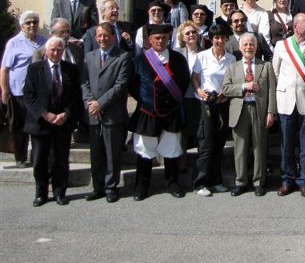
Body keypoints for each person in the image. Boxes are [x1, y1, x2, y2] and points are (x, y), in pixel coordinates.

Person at [129, 23, 190, 201]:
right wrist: (146, 100)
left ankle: (172, 183)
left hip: (171, 112)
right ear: (150, 40)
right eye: (156, 38)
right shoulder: (140, 60)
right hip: (147, 112)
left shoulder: (178, 59)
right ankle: (142, 185)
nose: (160, 41)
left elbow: (184, 82)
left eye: (163, 38)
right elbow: (133, 85)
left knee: (172, 149)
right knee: (144, 151)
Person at [22, 36, 82, 206]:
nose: (56, 53)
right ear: (46, 51)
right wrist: (44, 114)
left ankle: (59, 192)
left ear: (63, 51)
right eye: (52, 49)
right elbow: (28, 96)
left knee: (60, 159)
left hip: (62, 123)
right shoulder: (34, 69)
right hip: (41, 123)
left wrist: (66, 114)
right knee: (40, 160)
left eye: (59, 49)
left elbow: (76, 96)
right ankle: (41, 193)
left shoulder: (70, 69)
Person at [271, 13, 305, 197]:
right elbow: (276, 72)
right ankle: (287, 179)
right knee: (286, 144)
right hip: (286, 101)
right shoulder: (281, 45)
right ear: (295, 26)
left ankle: (304, 180)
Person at [81, 23, 132, 203]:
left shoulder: (123, 56)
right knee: (96, 154)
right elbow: (84, 83)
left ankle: (111, 187)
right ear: (96, 37)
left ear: (113, 36)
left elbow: (120, 85)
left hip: (112, 113)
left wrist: (100, 104)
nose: (102, 39)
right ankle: (98, 188)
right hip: (93, 114)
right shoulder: (89, 56)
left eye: (106, 35)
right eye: (99, 36)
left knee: (112, 154)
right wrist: (90, 103)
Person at [222, 33, 277, 197]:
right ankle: (240, 181)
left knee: (259, 146)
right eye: (245, 44)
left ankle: (259, 182)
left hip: (258, 109)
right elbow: (225, 89)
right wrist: (244, 86)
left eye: (251, 44)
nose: (248, 47)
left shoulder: (266, 66)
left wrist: (271, 112)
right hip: (240, 110)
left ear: (256, 47)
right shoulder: (232, 67)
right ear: (240, 47)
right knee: (240, 148)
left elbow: (272, 91)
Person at [191, 24, 236, 196]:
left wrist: (224, 93)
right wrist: (199, 91)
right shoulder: (202, 56)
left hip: (223, 103)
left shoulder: (231, 58)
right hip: (206, 104)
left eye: (222, 37)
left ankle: (216, 181)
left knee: (219, 144)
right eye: (216, 37)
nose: (219, 41)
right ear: (211, 39)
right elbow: (194, 78)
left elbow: (231, 80)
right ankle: (200, 183)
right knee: (206, 144)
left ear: (226, 39)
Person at [0, 10, 47, 167]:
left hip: (38, 92)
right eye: (28, 22)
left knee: (36, 125)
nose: (32, 25)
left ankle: (37, 157)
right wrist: (5, 90)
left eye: (35, 21)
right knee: (19, 126)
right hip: (18, 91)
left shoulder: (43, 41)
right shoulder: (14, 43)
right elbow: (5, 69)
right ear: (22, 26)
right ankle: (20, 157)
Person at [175, 20, 204, 166]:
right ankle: (182, 163)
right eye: (188, 33)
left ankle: (201, 162)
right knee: (184, 131)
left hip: (201, 97)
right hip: (184, 97)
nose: (191, 35)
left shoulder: (205, 52)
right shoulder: (177, 54)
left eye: (193, 32)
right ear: (182, 37)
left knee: (201, 130)